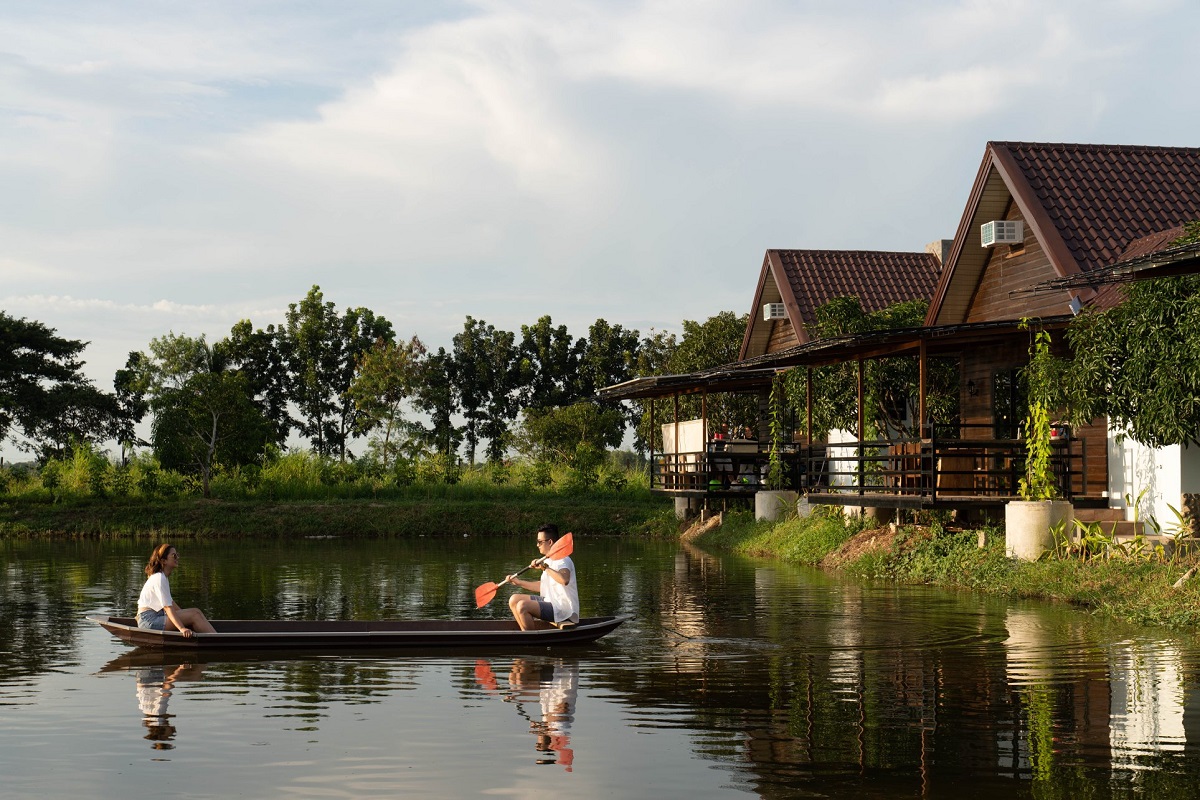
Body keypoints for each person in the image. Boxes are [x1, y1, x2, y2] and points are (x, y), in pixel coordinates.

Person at [506, 524, 580, 631]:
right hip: (550, 601)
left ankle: (531, 639)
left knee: (522, 606)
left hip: (562, 610)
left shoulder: (563, 560)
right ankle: (524, 632)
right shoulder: (549, 560)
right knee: (514, 599)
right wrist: (518, 582)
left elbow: (565, 580)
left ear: (550, 542)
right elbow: (543, 586)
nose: (537, 545)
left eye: (540, 542)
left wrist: (544, 567)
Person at [137, 544, 216, 637]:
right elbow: (167, 607)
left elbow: (171, 603)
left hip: (153, 618)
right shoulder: (159, 578)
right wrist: (182, 628)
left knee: (195, 613)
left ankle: (215, 637)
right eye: (174, 555)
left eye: (177, 555)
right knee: (195, 614)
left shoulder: (162, 577)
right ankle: (218, 640)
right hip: (149, 621)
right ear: (163, 561)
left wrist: (185, 617)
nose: (177, 558)